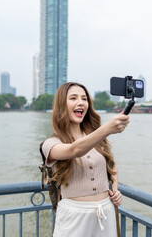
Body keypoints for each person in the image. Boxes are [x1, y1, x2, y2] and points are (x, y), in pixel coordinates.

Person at [41, 82, 129, 237]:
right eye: (73, 98)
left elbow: (112, 165)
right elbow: (74, 150)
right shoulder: (50, 144)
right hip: (74, 215)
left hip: (105, 211)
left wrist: (115, 189)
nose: (80, 102)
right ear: (62, 105)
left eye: (84, 98)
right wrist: (107, 129)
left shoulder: (97, 138)